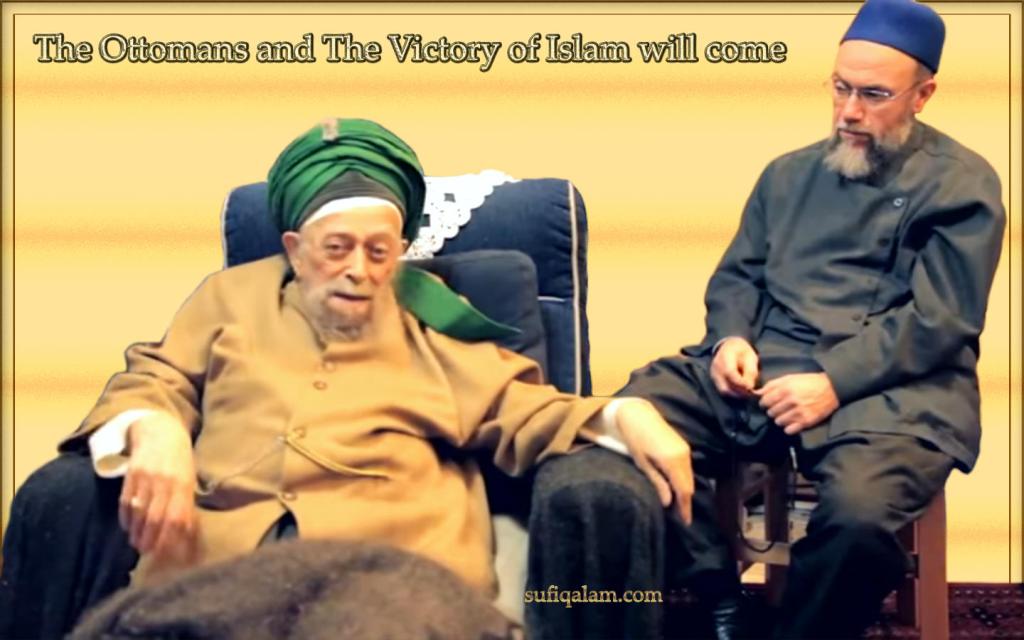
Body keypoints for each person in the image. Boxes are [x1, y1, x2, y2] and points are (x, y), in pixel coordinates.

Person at [0, 118, 694, 638]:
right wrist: (152, 428)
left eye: (379, 251)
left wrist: (624, 414)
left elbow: (524, 409)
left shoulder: (432, 316)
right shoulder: (230, 297)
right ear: (295, 249)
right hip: (220, 566)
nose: (360, 270)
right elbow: (156, 377)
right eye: (337, 249)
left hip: (388, 571)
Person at [527, 0, 1005, 638]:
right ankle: (716, 592)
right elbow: (739, 276)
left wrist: (833, 381)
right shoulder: (787, 174)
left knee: (859, 521)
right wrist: (731, 338)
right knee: (622, 423)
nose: (849, 111)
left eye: (873, 95)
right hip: (766, 367)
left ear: (924, 95)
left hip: (891, 390)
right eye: (840, 88)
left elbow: (941, 320)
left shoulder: (963, 186)